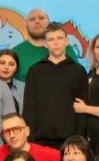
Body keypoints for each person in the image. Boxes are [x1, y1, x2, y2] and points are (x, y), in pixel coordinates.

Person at [23, 21, 89, 149]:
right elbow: (29, 108)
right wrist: (29, 139)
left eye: (60, 38)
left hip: (70, 141)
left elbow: (82, 108)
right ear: (45, 44)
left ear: (67, 41)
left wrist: (79, 140)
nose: (56, 43)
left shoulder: (79, 71)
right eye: (51, 39)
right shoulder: (35, 71)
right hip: (39, 140)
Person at [11, 9, 79, 82]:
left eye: (41, 18)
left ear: (48, 23)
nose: (37, 21)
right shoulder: (15, 52)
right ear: (26, 25)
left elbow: (77, 79)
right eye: (32, 19)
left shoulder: (65, 48)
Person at [0, 49, 24, 113]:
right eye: (2, 63)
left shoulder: (24, 88)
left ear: (16, 68)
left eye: (11, 64)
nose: (6, 67)